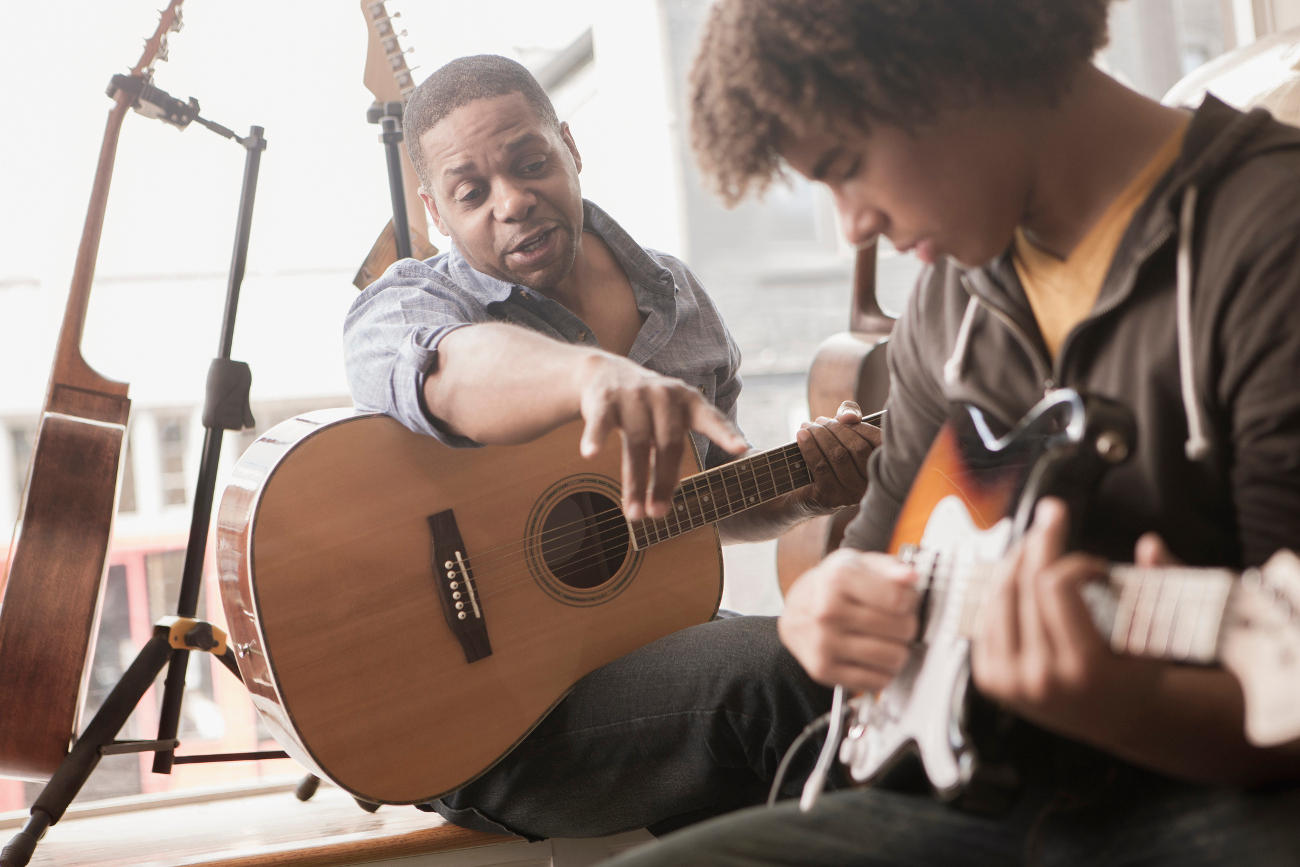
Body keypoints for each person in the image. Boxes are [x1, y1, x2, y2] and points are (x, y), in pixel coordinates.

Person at [602, 1, 1300, 864]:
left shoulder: (1274, 239)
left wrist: (1120, 701)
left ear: (953, 60)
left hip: (1230, 801)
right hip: (983, 799)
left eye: (846, 166)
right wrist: (825, 611)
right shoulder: (951, 299)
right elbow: (874, 557)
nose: (850, 225)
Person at [342, 54, 880, 840]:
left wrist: (806, 488)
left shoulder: (676, 298)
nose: (513, 201)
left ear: (569, 147)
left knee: (850, 658)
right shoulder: (409, 304)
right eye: (473, 192)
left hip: (634, 650)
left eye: (531, 164)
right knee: (787, 675)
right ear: (433, 211)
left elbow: (707, 495)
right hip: (478, 713)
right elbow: (449, 372)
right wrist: (588, 375)